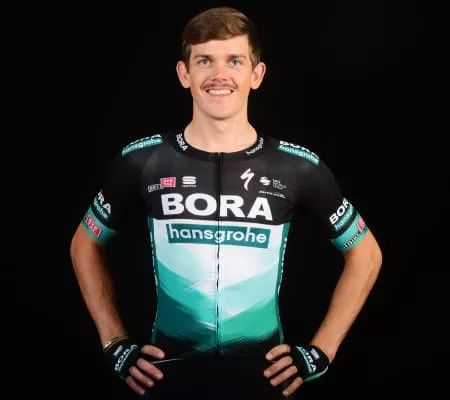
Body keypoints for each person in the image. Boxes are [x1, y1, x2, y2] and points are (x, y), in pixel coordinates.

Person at [69, 6, 383, 400]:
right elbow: (84, 244)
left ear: (257, 74)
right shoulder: (142, 161)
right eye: (204, 60)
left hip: (264, 381)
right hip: (167, 380)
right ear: (184, 74)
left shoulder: (296, 168)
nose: (219, 74)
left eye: (234, 60)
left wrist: (322, 350)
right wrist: (114, 342)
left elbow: (366, 254)